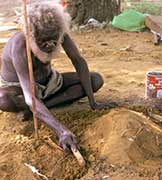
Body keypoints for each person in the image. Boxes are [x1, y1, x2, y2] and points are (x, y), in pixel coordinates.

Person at [0, 1, 116, 151]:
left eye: (53, 40)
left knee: (95, 80)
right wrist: (62, 131)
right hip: (21, 90)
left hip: (51, 83)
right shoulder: (19, 45)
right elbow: (30, 97)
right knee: (3, 99)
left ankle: (39, 108)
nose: (49, 46)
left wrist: (92, 102)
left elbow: (79, 61)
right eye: (43, 41)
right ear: (31, 36)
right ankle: (37, 108)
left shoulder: (60, 31)